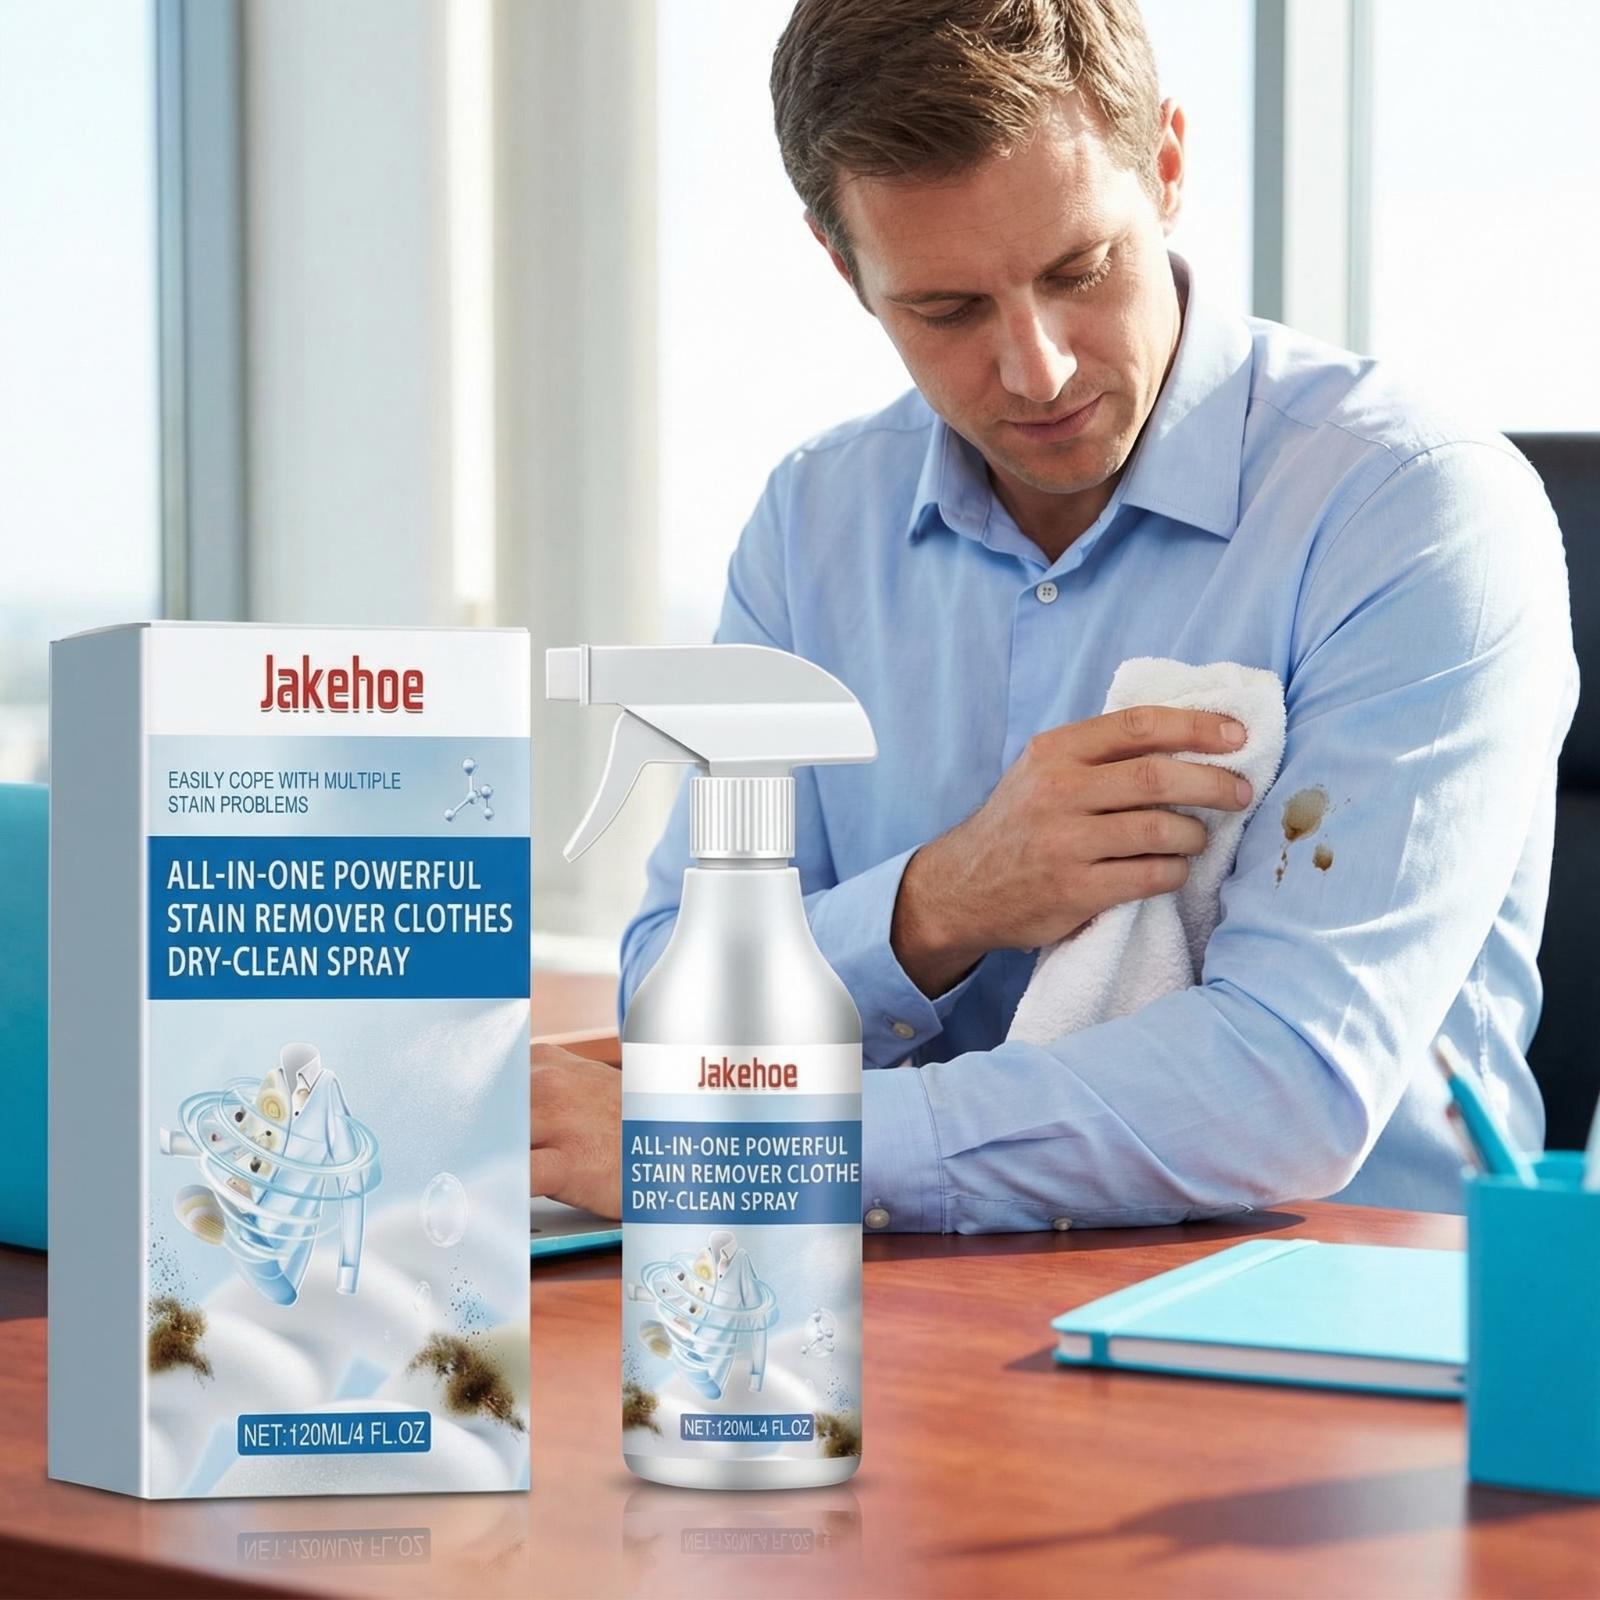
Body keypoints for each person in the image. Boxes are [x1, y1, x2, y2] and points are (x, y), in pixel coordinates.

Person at [531, 0, 1577, 1229]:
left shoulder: (1412, 508)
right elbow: (672, 1000)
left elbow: (1286, 1087)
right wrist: (940, 902)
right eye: (948, 310)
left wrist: (756, 1150)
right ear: (843, 266)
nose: (1038, 370)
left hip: (1332, 1314)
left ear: (1167, 166)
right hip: (902, 1303)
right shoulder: (813, 524)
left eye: (1079, 272)